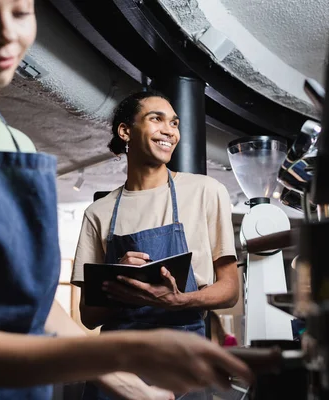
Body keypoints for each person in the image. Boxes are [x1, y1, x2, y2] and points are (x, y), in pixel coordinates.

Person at [0, 1, 266, 398]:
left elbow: (36, 308)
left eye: (21, 12)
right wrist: (128, 351)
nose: (7, 33)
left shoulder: (16, 145)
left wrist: (134, 387)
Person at [71, 91, 241, 399]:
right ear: (125, 131)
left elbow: (229, 289)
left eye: (174, 122)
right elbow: (89, 316)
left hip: (183, 362)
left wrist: (179, 301)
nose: (170, 130)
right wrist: (114, 279)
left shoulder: (206, 192)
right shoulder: (99, 212)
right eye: (156, 119)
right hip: (117, 366)